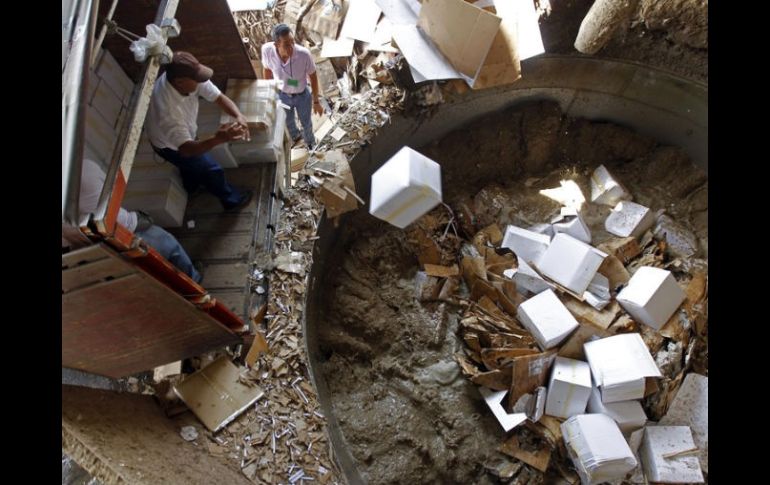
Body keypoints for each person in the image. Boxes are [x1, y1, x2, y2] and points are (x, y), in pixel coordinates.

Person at [145, 51, 253, 211]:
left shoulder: (189, 78)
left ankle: (192, 187)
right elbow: (186, 149)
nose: (202, 81)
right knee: (211, 170)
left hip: (183, 136)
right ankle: (231, 200)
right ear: (180, 82)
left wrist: (239, 116)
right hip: (169, 146)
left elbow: (219, 98)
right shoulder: (168, 112)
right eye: (197, 79)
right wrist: (219, 138)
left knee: (190, 167)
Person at [79, 158, 202, 284]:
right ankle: (194, 278)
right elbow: (114, 189)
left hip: (104, 242)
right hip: (126, 228)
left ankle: (182, 285)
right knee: (170, 247)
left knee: (153, 270)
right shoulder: (84, 165)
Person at [261, 24, 324, 149]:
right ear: (276, 44)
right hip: (282, 95)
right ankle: (295, 136)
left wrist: (316, 101)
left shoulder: (303, 54)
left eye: (292, 42)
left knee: (306, 121)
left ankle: (310, 141)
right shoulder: (267, 50)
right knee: (287, 119)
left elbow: (313, 76)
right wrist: (270, 93)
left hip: (302, 96)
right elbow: (266, 69)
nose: (291, 47)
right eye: (286, 44)